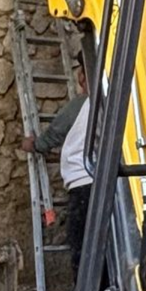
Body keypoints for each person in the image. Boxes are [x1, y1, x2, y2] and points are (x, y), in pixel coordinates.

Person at [26, 56, 93, 271]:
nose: (78, 76)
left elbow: (54, 134)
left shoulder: (80, 105)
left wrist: (34, 145)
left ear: (85, 75)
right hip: (104, 183)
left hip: (82, 185)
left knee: (81, 246)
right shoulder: (111, 104)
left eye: (81, 71)